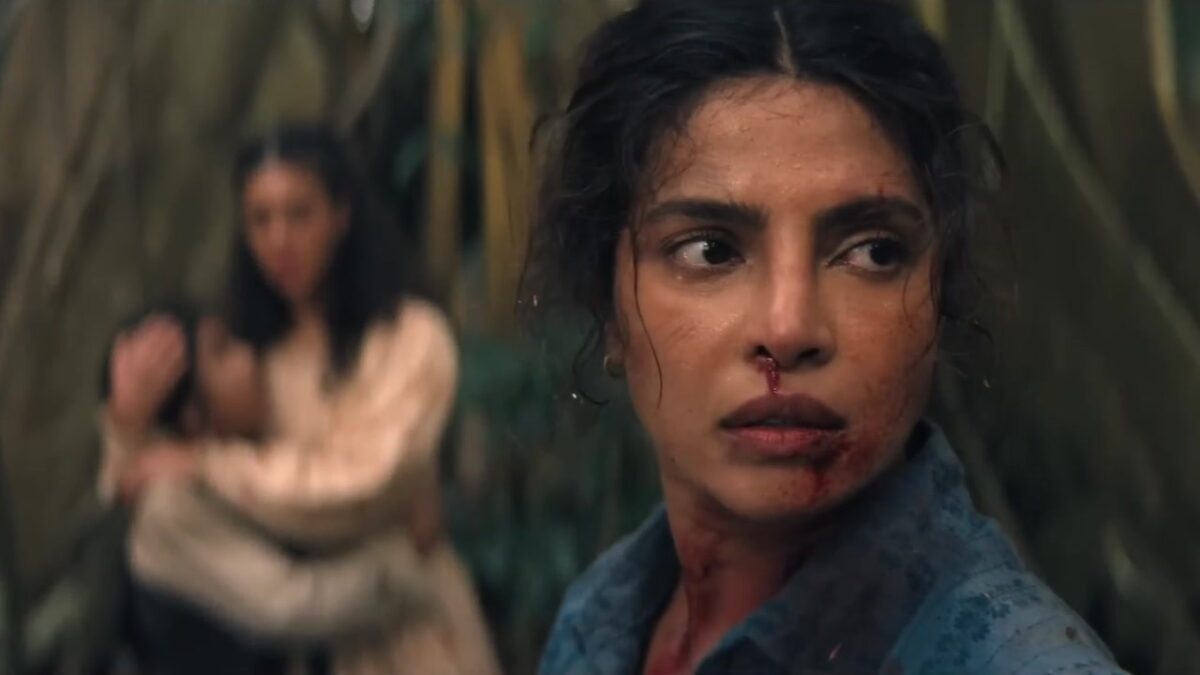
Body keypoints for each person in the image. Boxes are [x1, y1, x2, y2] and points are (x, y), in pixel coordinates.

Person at [529, 2, 1129, 674]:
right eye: (710, 250)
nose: (788, 330)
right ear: (610, 307)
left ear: (940, 296)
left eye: (873, 252)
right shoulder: (603, 616)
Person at [107, 124, 500, 675]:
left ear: (340, 215)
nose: (279, 240)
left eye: (299, 214)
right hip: (314, 633)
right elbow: (153, 491)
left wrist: (209, 466)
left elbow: (365, 481)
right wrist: (128, 424)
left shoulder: (410, 339)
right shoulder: (250, 356)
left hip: (411, 629)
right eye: (261, 219)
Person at [100, 301, 435, 675]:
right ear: (193, 416)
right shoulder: (172, 503)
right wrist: (404, 561)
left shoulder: (231, 457)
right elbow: (291, 605)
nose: (249, 355)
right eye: (224, 352)